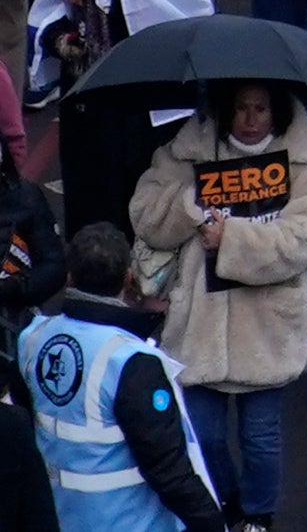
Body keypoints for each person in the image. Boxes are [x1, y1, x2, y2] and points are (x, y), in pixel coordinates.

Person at [120, 80, 307, 519]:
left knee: (260, 438)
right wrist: (190, 203)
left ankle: (258, 517)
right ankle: (226, 508)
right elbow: (145, 219)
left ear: (277, 113)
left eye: (261, 109)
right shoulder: (182, 156)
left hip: (268, 328)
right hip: (198, 327)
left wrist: (229, 239)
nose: (250, 120)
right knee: (203, 436)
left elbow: (303, 242)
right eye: (241, 108)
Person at [16, 221, 229, 532]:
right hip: (129, 522)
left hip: (58, 515)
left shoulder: (33, 338)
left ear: (70, 276)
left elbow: (26, 420)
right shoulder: (131, 361)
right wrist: (211, 523)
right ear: (128, 278)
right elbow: (167, 469)